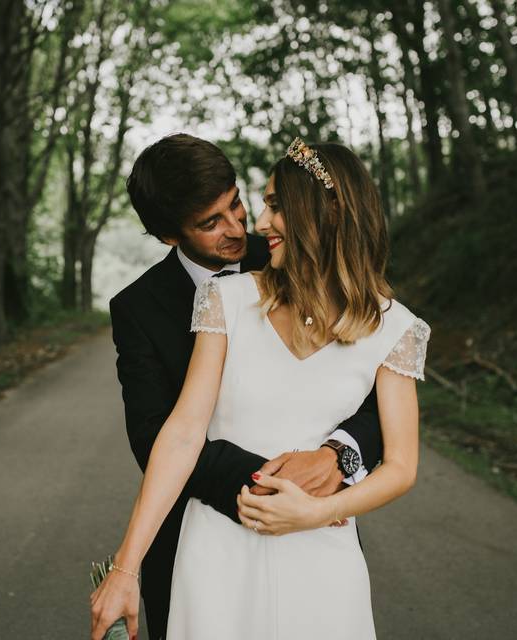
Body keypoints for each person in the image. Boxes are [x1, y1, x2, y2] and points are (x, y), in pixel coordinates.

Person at [93, 136, 430, 639]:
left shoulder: (378, 314)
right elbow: (164, 435)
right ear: (170, 235)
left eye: (240, 205)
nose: (245, 228)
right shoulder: (179, 304)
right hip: (210, 533)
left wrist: (338, 461)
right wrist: (276, 485)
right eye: (211, 223)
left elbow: (384, 428)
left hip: (320, 544)